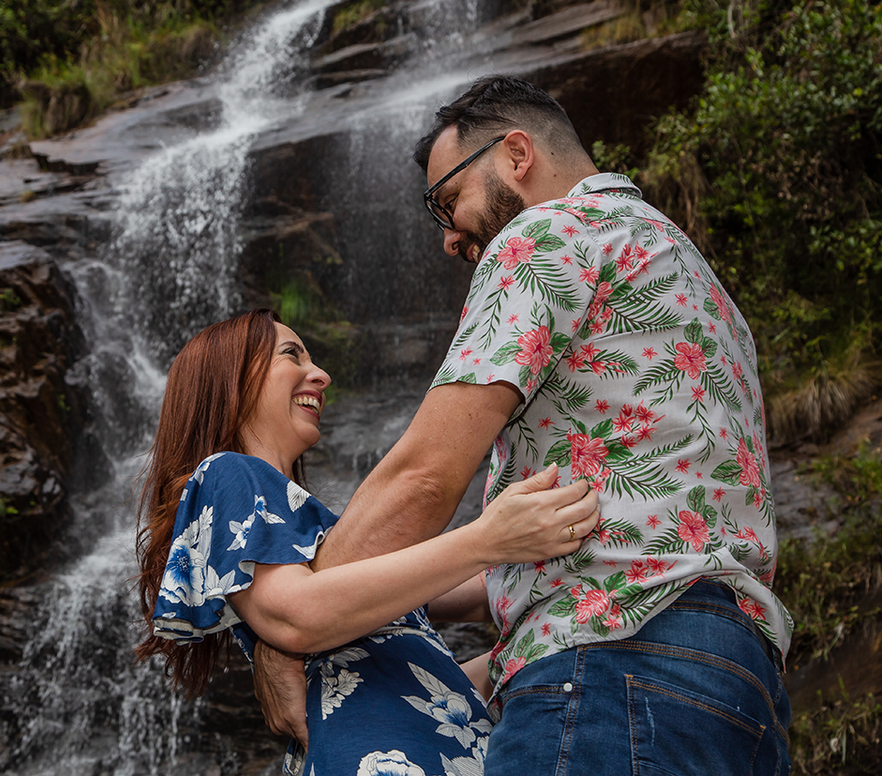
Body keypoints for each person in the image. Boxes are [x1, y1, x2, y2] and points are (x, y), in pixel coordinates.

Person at [253, 76, 794, 775]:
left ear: (516, 153)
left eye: (449, 203)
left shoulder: (544, 235)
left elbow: (424, 476)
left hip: (611, 670)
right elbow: (605, 524)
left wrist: (291, 623)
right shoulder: (694, 279)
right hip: (743, 690)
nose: (448, 238)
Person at [135, 308, 599, 776]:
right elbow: (297, 614)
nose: (321, 374)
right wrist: (486, 538)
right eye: (291, 354)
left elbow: (436, 657)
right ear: (229, 377)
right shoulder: (225, 472)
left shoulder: (316, 536)